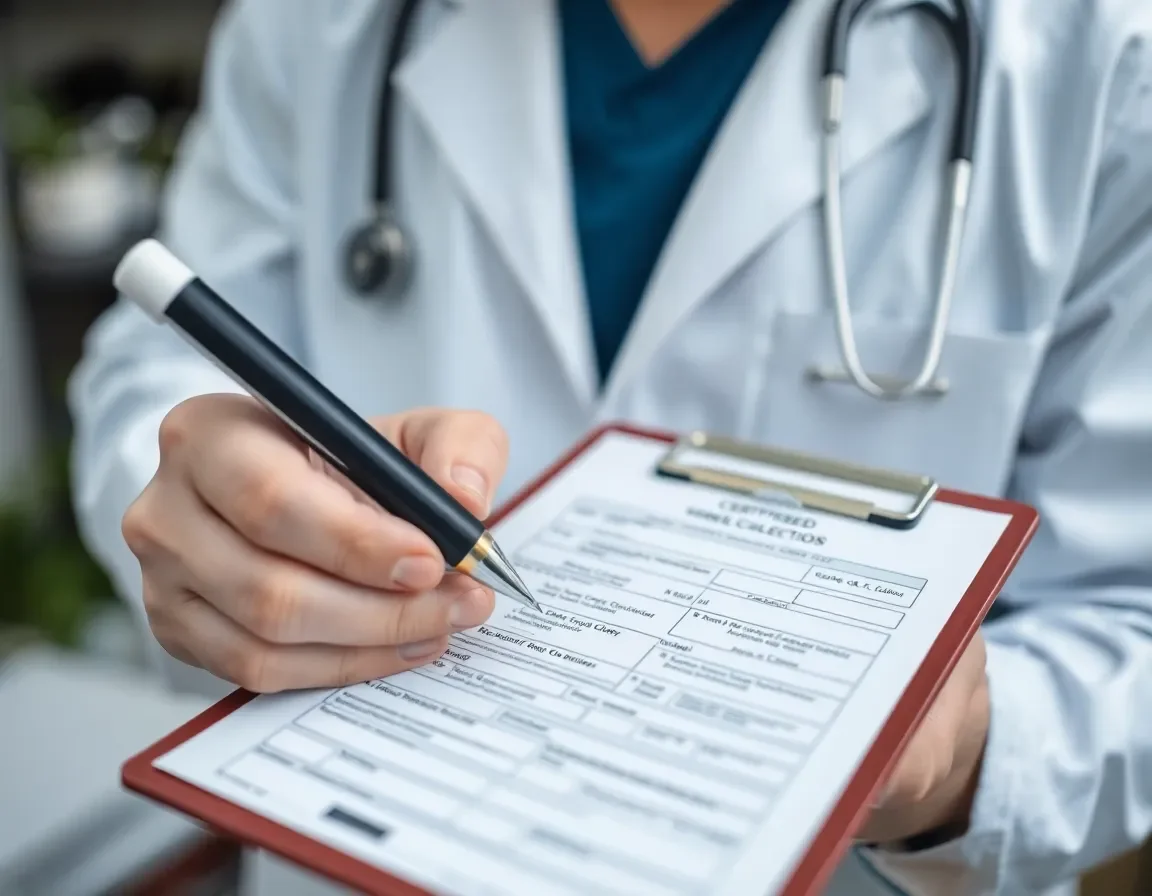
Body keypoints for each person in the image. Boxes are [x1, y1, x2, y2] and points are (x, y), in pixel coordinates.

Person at [68, 0, 1152, 893]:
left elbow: (1132, 621)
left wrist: (963, 755)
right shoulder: (317, 25)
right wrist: (214, 516)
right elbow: (157, 366)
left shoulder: (1096, 55)